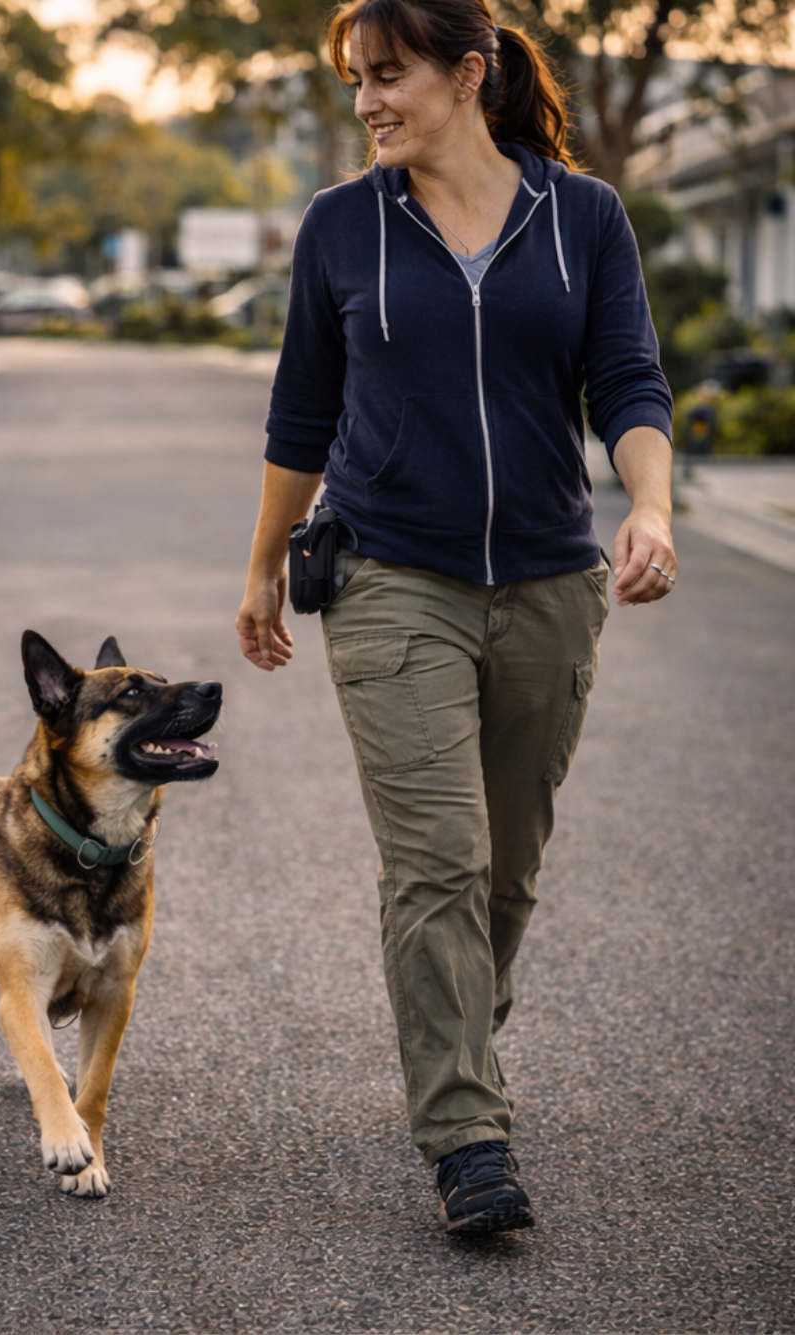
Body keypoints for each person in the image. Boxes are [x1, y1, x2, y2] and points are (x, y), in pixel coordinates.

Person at [234, 0, 676, 1234]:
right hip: (388, 580)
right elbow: (299, 411)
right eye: (354, 82)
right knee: (436, 860)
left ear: (468, 75)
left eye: (388, 76)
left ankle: (459, 1041)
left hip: (548, 582)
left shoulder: (578, 216)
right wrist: (263, 565)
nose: (366, 101)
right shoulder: (340, 226)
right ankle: (464, 1137)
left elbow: (627, 377)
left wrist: (647, 509)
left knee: (505, 870)